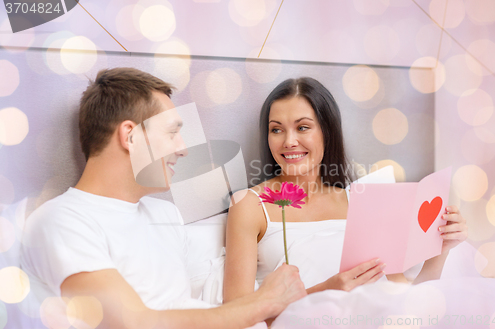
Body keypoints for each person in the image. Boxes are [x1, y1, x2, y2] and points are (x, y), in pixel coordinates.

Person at [20, 68, 306, 329]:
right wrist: (263, 301)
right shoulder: (60, 222)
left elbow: (200, 304)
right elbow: (134, 323)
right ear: (130, 136)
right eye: (172, 133)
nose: (182, 149)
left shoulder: (164, 215)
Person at [223, 77, 468, 303]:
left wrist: (439, 251)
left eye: (303, 127)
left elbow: (404, 298)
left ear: (327, 132)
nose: (288, 141)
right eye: (276, 129)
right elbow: (236, 311)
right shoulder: (249, 205)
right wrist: (324, 290)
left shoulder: (362, 201)